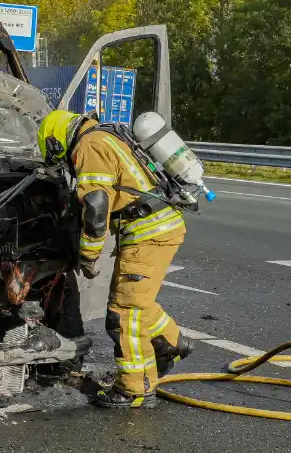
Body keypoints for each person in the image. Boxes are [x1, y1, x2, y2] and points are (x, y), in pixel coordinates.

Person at [37, 109, 193, 409]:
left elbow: (96, 208)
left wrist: (88, 255)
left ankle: (135, 389)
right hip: (158, 226)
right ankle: (172, 342)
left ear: (58, 142)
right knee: (135, 302)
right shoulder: (106, 134)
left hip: (147, 233)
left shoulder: (89, 145)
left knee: (124, 313)